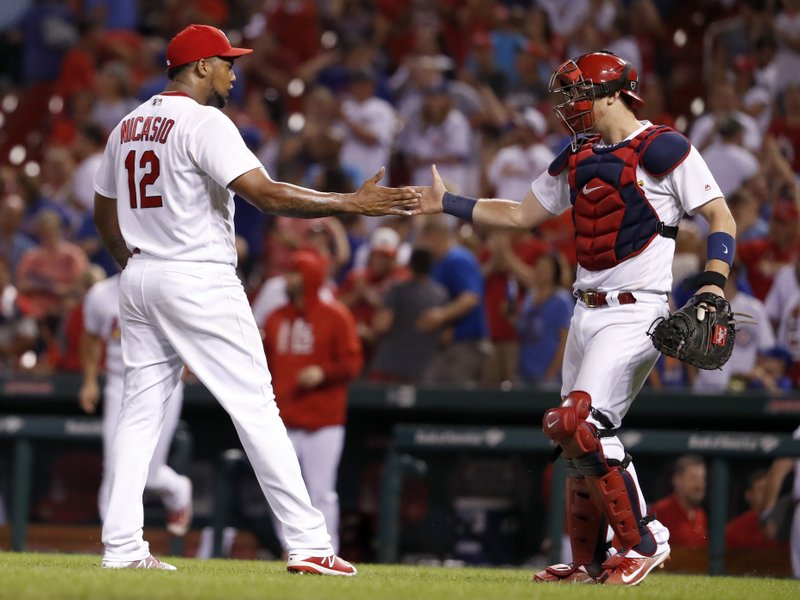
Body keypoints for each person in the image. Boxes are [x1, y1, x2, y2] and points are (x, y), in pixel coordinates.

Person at [92, 24, 419, 573]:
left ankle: (122, 547)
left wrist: (133, 266)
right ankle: (310, 542)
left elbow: (104, 214)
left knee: (139, 413)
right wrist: (350, 204)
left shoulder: (127, 124)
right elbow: (265, 195)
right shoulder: (203, 120)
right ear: (199, 68)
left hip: (141, 275)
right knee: (256, 408)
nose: (233, 71)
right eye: (225, 61)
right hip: (196, 276)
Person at [415, 50, 736, 585]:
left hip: (636, 311)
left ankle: (644, 541)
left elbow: (719, 215)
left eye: (578, 92)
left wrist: (711, 285)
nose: (569, 104)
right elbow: (520, 215)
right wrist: (448, 203)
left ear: (612, 93)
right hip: (584, 309)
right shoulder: (580, 152)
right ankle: (587, 562)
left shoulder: (664, 147)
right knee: (571, 440)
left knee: (582, 424)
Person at [262, 250, 363, 554]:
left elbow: (353, 363)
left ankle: (325, 551)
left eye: (295, 273)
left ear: (310, 277)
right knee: (280, 489)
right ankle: (290, 548)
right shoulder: (276, 317)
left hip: (323, 420)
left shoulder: (336, 316)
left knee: (321, 493)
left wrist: (323, 372)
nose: (289, 279)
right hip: (284, 418)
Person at [79, 273, 193, 536]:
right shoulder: (101, 294)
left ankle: (177, 490)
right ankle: (115, 541)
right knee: (114, 464)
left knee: (150, 476)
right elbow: (91, 337)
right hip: (120, 382)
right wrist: (89, 381)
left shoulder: (168, 285)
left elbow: (188, 329)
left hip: (163, 381)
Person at [367, 247, 449, 383]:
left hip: (389, 368)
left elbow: (381, 326)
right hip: (422, 371)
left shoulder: (397, 290)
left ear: (410, 265)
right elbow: (446, 337)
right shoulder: (441, 294)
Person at [649, 455, 708, 549]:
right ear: (677, 480)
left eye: (702, 479)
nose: (699, 485)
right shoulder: (660, 512)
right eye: (693, 478)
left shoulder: (701, 515)